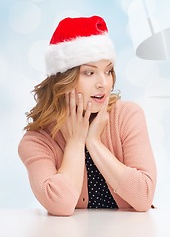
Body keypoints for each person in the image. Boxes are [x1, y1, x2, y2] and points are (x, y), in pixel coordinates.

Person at [18, 15, 157, 216]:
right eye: (89, 73)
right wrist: (76, 142)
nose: (103, 83)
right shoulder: (37, 141)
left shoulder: (126, 116)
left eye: (108, 71)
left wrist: (93, 142)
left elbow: (143, 197)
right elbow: (61, 205)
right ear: (63, 79)